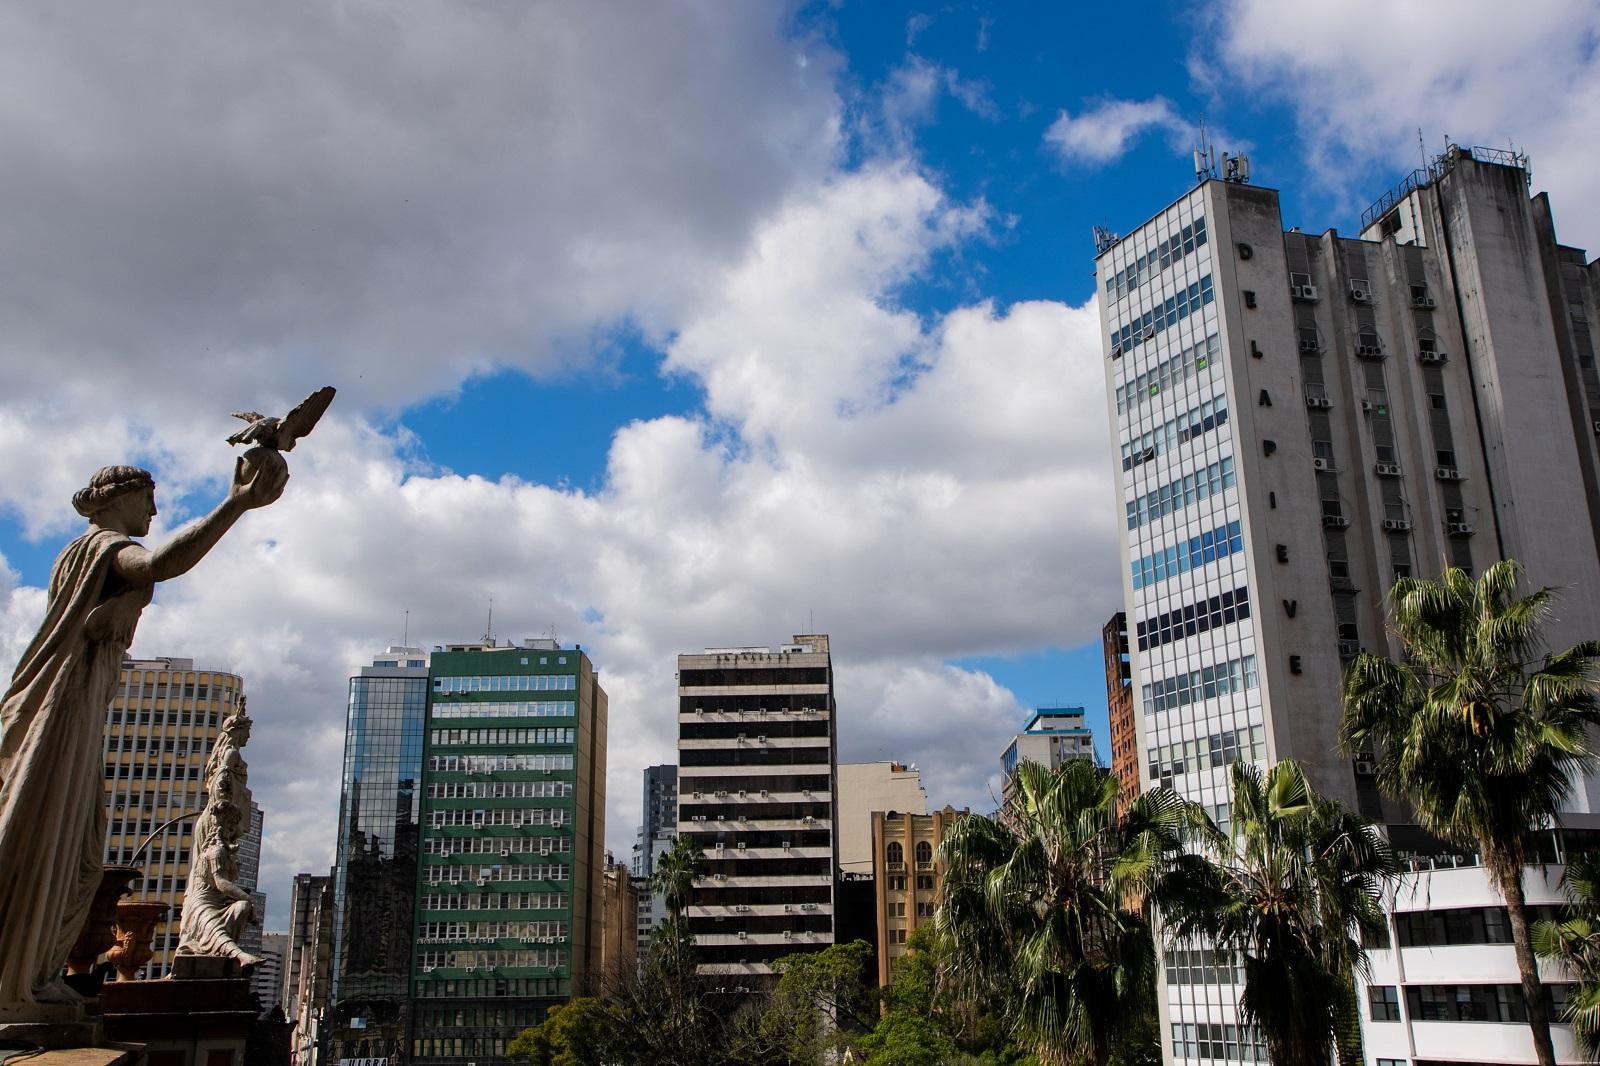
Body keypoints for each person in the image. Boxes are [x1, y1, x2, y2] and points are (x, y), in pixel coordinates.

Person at [0, 453, 286, 1007]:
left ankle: (31, 974)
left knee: (75, 850)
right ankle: (18, 983)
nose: (155, 510)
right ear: (115, 498)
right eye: (146, 498)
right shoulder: (101, 546)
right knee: (50, 838)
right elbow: (158, 564)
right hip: (62, 708)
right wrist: (236, 504)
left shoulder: (84, 553)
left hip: (81, 708)